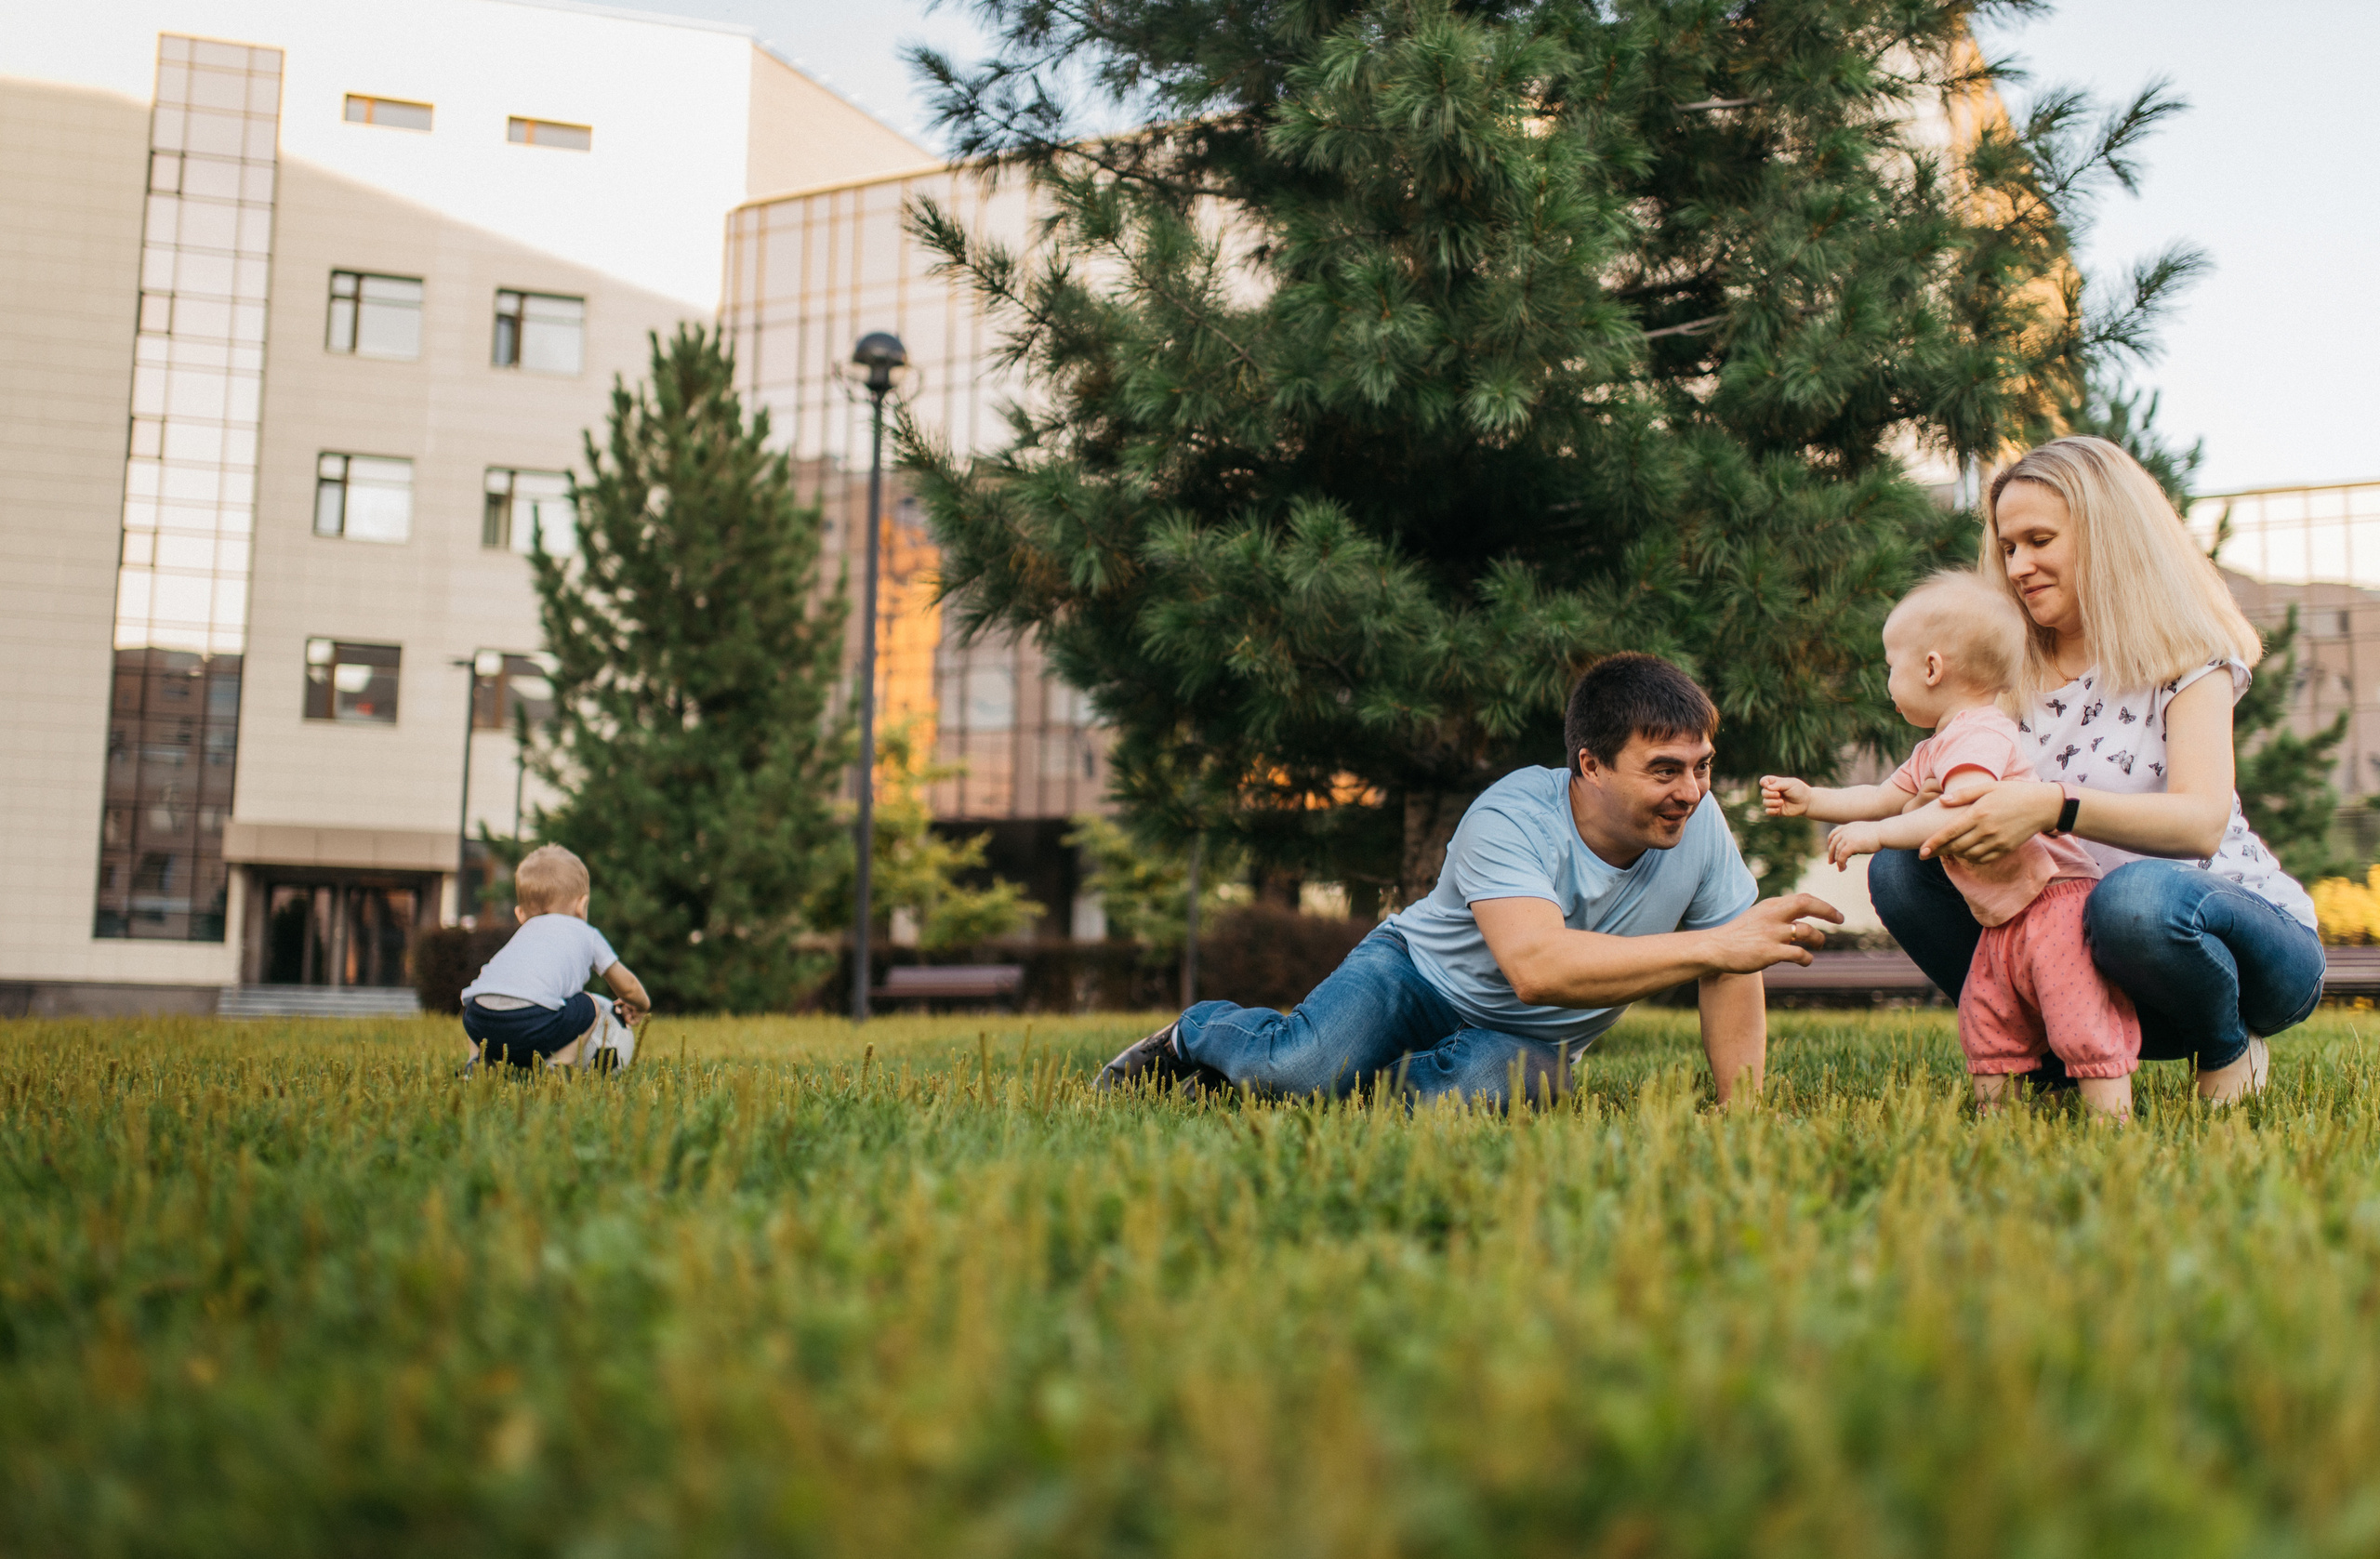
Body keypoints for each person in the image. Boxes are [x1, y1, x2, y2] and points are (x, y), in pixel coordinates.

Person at [1095, 654, 1843, 1107]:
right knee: (1299, 1069)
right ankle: (1198, 1034)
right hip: (1415, 977)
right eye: (1665, 770)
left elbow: (1733, 971)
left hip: (1527, 1041)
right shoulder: (1511, 816)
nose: (1691, 791)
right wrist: (1715, 946)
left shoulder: (1701, 827)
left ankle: (1366, 1085)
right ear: (1590, 764)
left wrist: (1737, 1109)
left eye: (1702, 765)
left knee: (1470, 1097)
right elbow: (1537, 967)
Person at [1868, 436, 2322, 1103]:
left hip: (2236, 945)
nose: (2019, 565)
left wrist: (2052, 804)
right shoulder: (2001, 676)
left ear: (2106, 535)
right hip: (2088, 960)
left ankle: (2227, 1044)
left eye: (2039, 540)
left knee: (2133, 899)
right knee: (1902, 868)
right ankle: (2047, 1060)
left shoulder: (2189, 657)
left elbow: (2200, 822)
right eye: (2008, 547)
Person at [1763, 572, 2139, 1119]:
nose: (1887, 682)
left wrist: (1875, 837)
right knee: (1989, 1013)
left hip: (2052, 902)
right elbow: (1880, 796)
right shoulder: (1936, 746)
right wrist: (1812, 799)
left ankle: (2113, 1123)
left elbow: (1964, 808)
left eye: (1892, 666)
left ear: (1932, 668)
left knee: (2077, 1011)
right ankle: (2001, 1123)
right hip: (2005, 915)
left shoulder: (1981, 733)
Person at [459, 844, 649, 1074]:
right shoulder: (586, 933)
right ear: (582, 905)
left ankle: (478, 1061)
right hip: (532, 1024)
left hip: (478, 1020)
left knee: (478, 996)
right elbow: (627, 987)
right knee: (589, 1004)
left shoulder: (523, 933)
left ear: (520, 915)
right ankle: (558, 1065)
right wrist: (641, 1005)